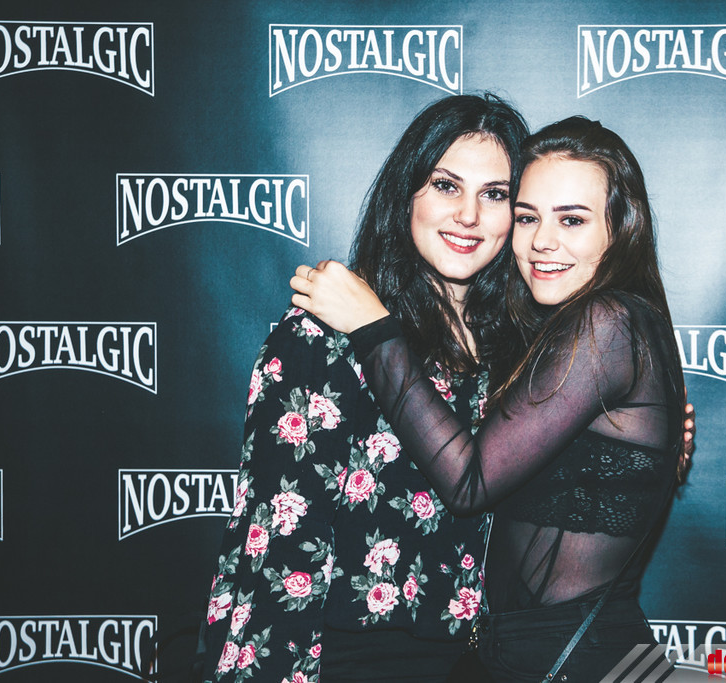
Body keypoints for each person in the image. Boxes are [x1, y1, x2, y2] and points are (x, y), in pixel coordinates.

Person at [291, 116, 690, 682]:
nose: (542, 241)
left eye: (572, 220)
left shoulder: (606, 322)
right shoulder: (555, 334)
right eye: (527, 216)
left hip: (572, 659)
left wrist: (372, 327)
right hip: (535, 654)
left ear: (620, 228)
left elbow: (469, 481)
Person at [199, 94, 531, 682]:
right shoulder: (322, 335)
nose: (469, 215)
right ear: (407, 193)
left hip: (471, 664)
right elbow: (281, 543)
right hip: (337, 662)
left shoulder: (515, 354)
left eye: (495, 194)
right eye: (446, 186)